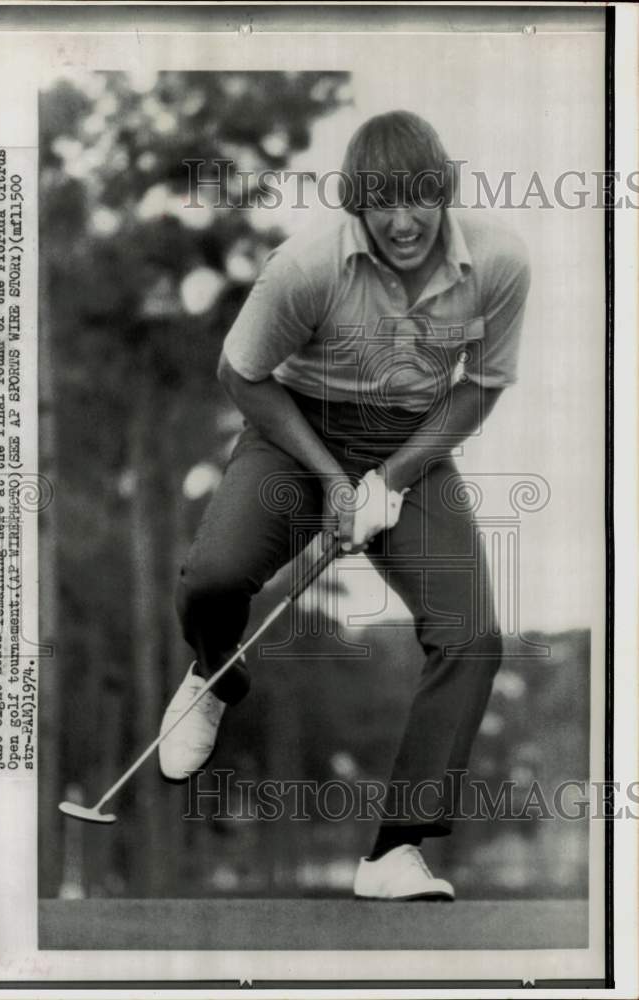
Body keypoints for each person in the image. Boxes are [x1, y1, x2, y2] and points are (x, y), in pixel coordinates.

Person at [159, 110, 531, 901]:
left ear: (445, 191)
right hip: (299, 430)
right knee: (215, 580)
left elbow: (481, 388)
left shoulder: (499, 261)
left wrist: (390, 479)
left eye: (419, 200)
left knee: (472, 636)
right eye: (380, 203)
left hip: (414, 445)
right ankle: (215, 678)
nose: (402, 222)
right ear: (355, 203)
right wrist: (333, 478)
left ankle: (394, 852)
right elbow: (241, 375)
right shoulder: (307, 266)